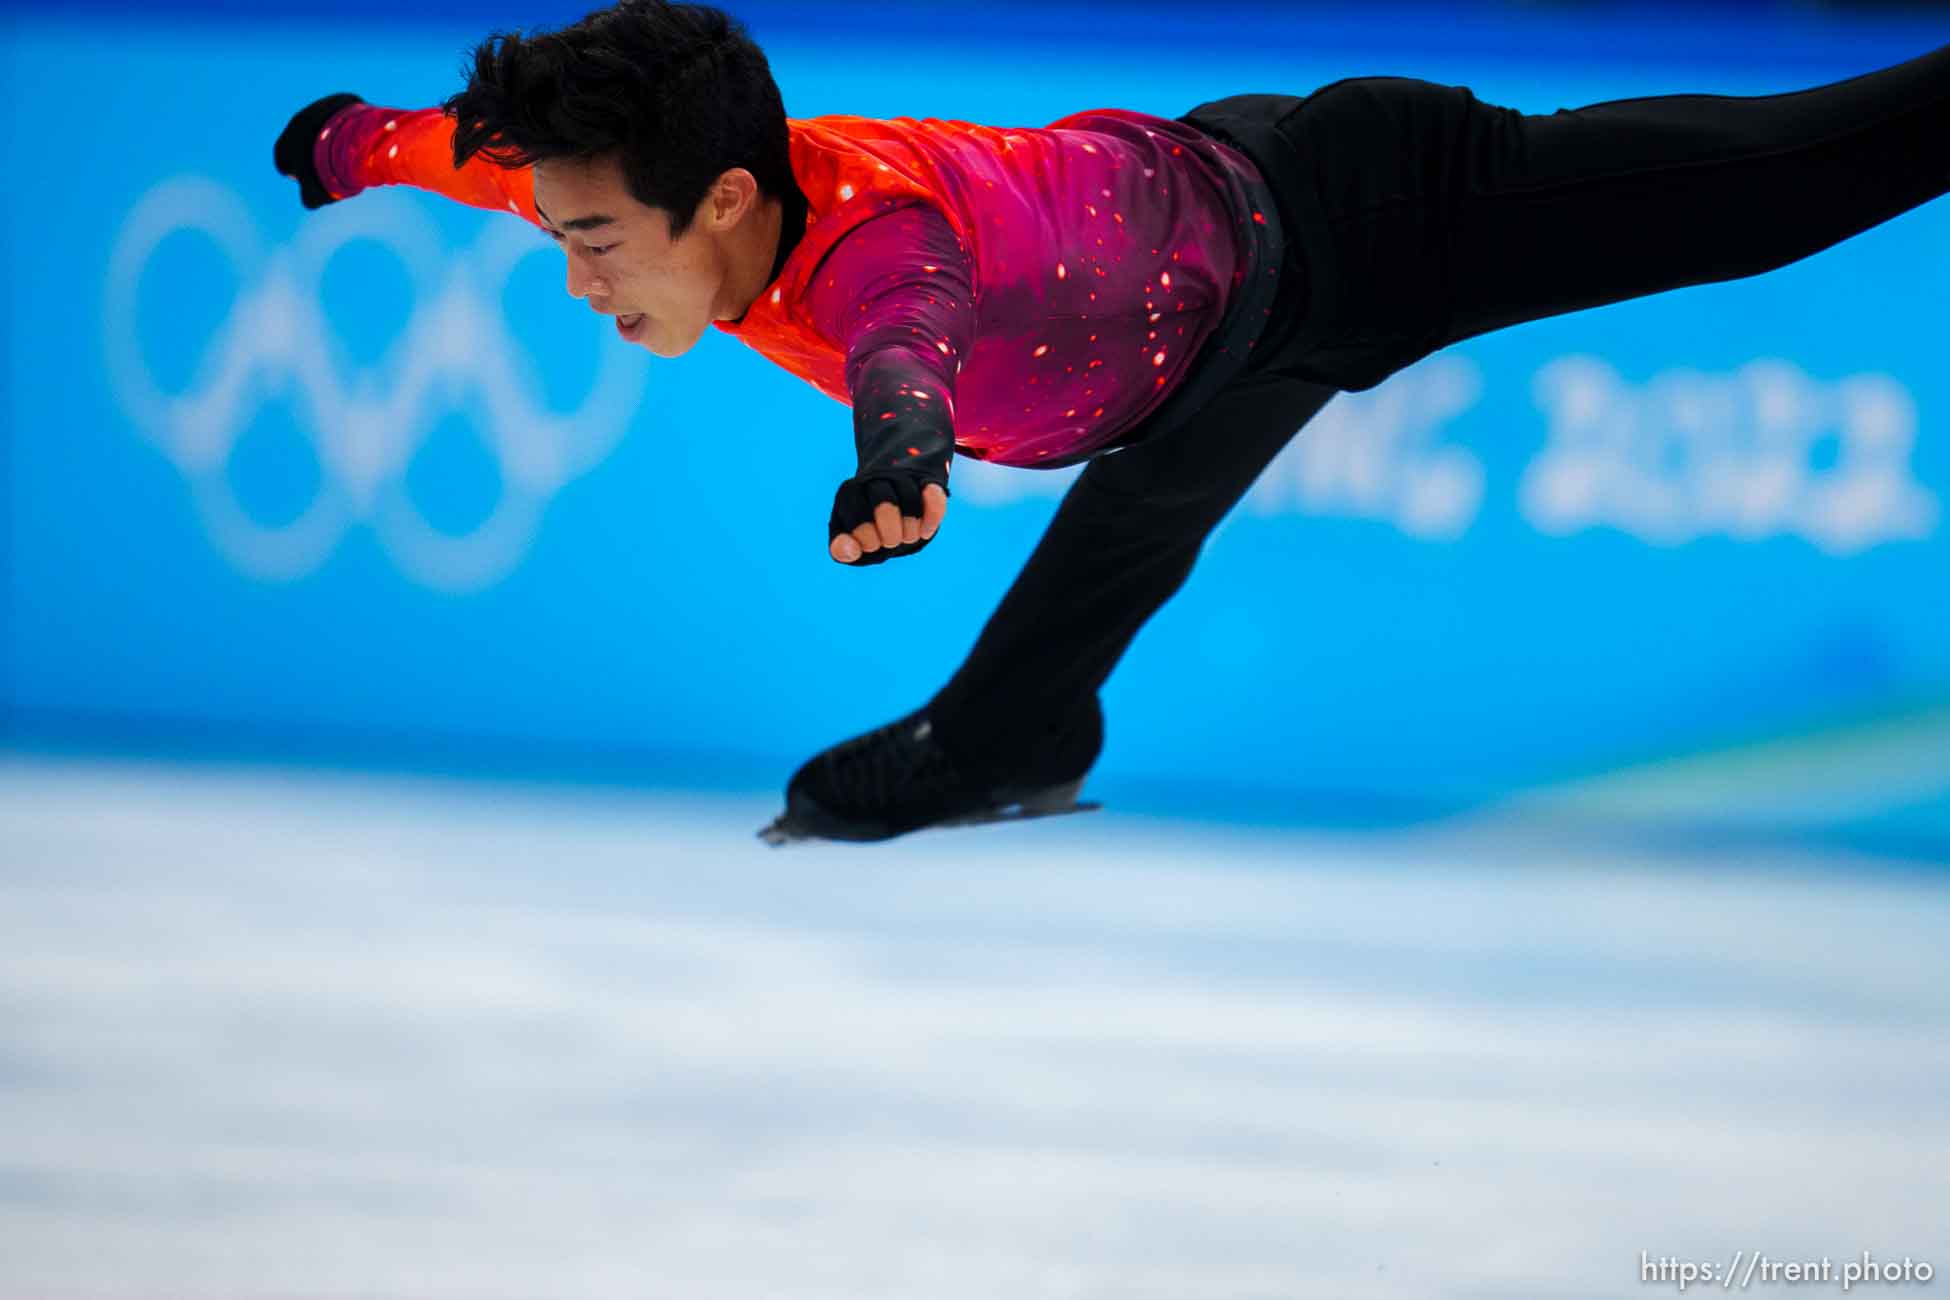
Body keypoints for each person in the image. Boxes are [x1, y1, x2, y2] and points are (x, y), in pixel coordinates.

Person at [274, 0, 1950, 844]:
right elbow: (465, 156)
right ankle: (1009, 734)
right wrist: (351, 146)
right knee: (1143, 500)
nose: (572, 275)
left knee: (1768, 185)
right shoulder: (645, 198)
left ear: (723, 200)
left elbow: (906, 345)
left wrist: (902, 460)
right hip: (1202, 289)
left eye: (590, 243)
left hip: (1367, 217)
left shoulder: (871, 249)